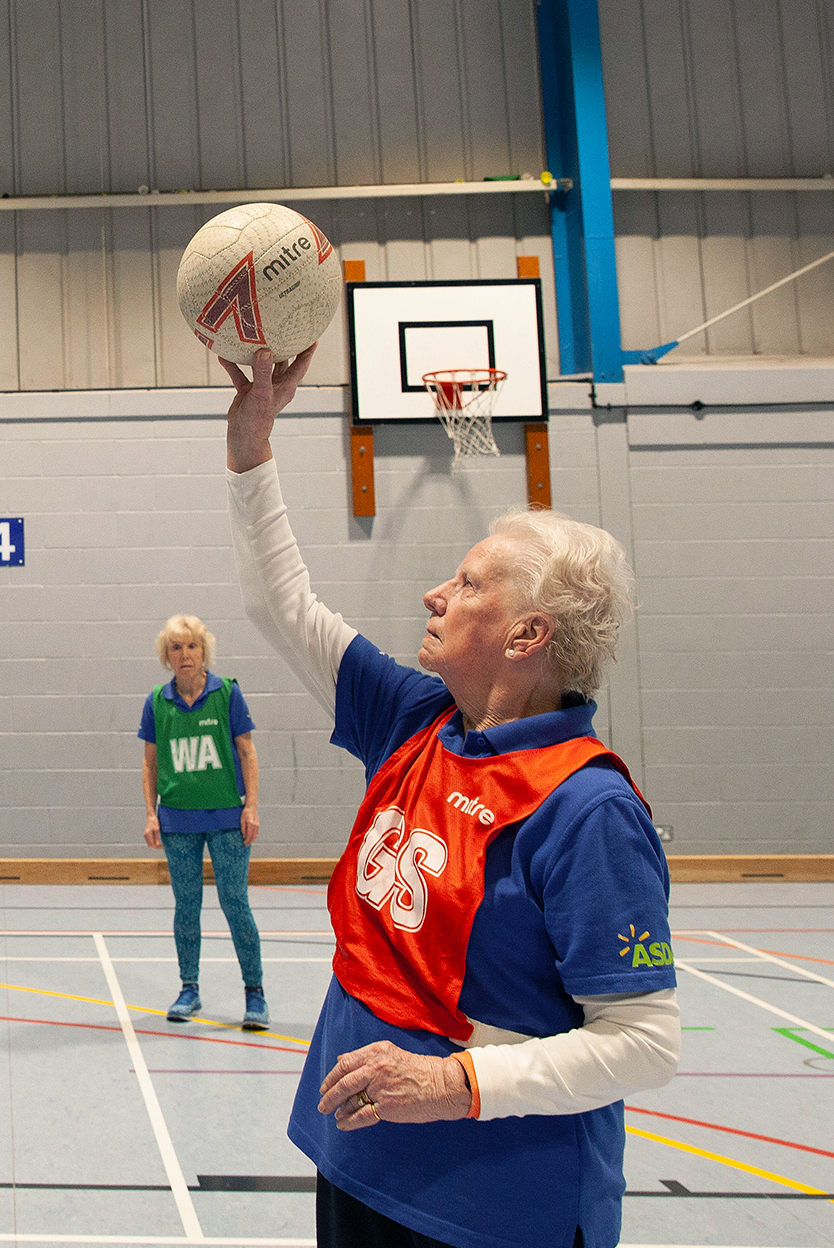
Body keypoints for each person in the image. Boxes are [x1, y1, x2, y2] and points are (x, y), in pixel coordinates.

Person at [222, 346, 679, 1248]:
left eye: (469, 583)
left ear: (526, 634)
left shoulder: (587, 810)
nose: (435, 593)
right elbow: (284, 607)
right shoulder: (416, 717)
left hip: (498, 1206)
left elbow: (645, 1042)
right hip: (359, 1157)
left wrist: (454, 1083)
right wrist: (252, 451)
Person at [138, 614, 266, 1030]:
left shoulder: (227, 694)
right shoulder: (158, 701)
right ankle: (188, 989)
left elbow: (247, 752)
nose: (184, 654)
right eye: (176, 648)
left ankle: (255, 993)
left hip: (228, 819)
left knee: (235, 904)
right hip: (178, 822)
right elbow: (150, 763)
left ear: (203, 651)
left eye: (192, 646)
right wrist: (151, 813)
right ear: (167, 656)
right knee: (186, 907)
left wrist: (251, 807)